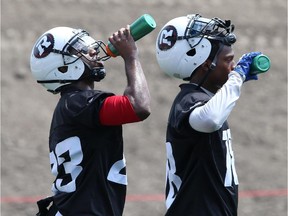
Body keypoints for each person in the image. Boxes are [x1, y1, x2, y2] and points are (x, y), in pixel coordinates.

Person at [30, 25, 151, 215]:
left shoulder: (72, 104)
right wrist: (131, 56)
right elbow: (138, 106)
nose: (93, 50)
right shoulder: (80, 103)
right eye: (81, 49)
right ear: (63, 67)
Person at [155, 14, 261, 215]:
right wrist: (236, 78)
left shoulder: (201, 98)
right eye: (228, 60)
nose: (233, 66)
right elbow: (209, 119)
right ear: (205, 63)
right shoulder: (189, 100)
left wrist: (233, 81)